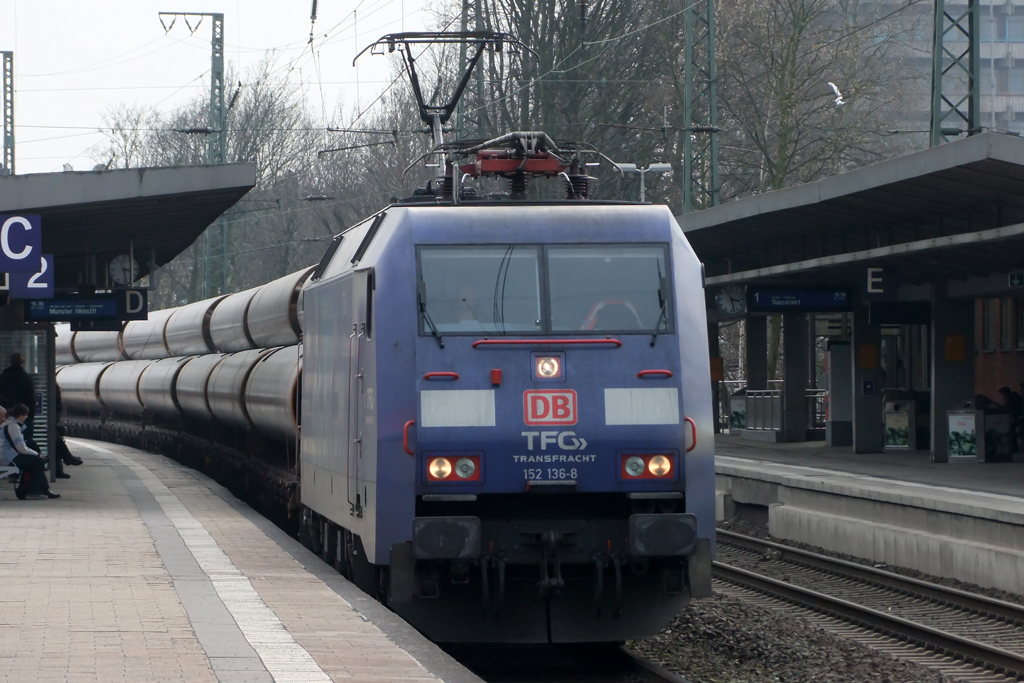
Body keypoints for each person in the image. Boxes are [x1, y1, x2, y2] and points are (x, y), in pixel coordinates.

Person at [1, 403, 58, 500]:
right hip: (7, 458)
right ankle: (34, 492)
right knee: (37, 462)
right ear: (21, 415)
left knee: (36, 459)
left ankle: (38, 490)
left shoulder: (11, 425)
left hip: (7, 456)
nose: (27, 417)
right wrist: (38, 455)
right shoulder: (13, 426)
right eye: (26, 415)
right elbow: (21, 448)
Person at [0, 353, 36, 440]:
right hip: (22, 413)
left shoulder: (3, 377)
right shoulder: (26, 378)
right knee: (25, 439)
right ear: (22, 363)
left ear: (10, 362)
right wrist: (30, 414)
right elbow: (31, 397)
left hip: (6, 414)